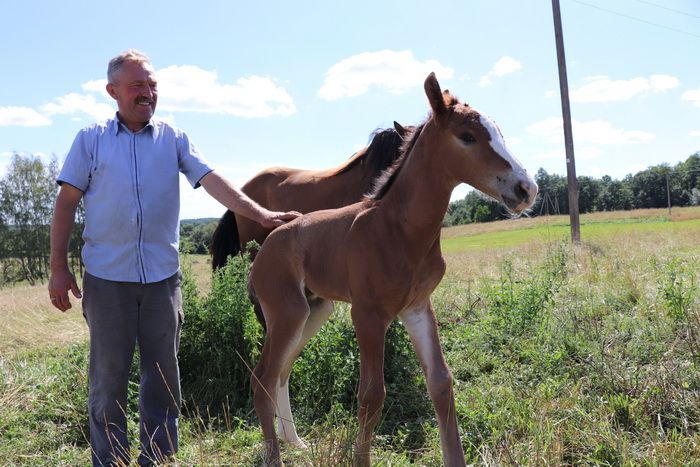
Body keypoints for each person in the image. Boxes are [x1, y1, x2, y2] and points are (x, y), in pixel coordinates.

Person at [48, 49, 300, 466]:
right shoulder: (90, 140)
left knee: (163, 381)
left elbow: (213, 180)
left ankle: (159, 460)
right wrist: (58, 268)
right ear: (113, 91)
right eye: (137, 86)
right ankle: (109, 461)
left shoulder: (173, 138)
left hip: (163, 280)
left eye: (152, 85)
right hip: (107, 281)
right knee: (108, 382)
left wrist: (262, 214)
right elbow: (65, 203)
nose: (147, 93)